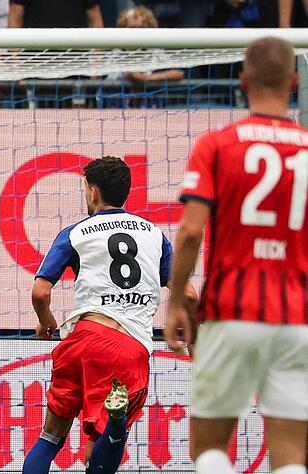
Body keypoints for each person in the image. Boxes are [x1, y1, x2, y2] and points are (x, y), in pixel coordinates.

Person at [166, 36, 308, 474]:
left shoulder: (218, 144)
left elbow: (190, 231)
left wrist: (173, 301)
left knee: (209, 453)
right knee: (290, 460)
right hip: (296, 318)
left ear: (242, 81)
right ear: (295, 81)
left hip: (231, 313)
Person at [23, 156, 191, 474]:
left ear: (93, 192)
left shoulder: (76, 232)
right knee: (106, 440)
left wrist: (47, 322)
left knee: (50, 436)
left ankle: (106, 428)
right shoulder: (155, 235)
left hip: (83, 338)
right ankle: (114, 426)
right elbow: (190, 294)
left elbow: (40, 292)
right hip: (128, 348)